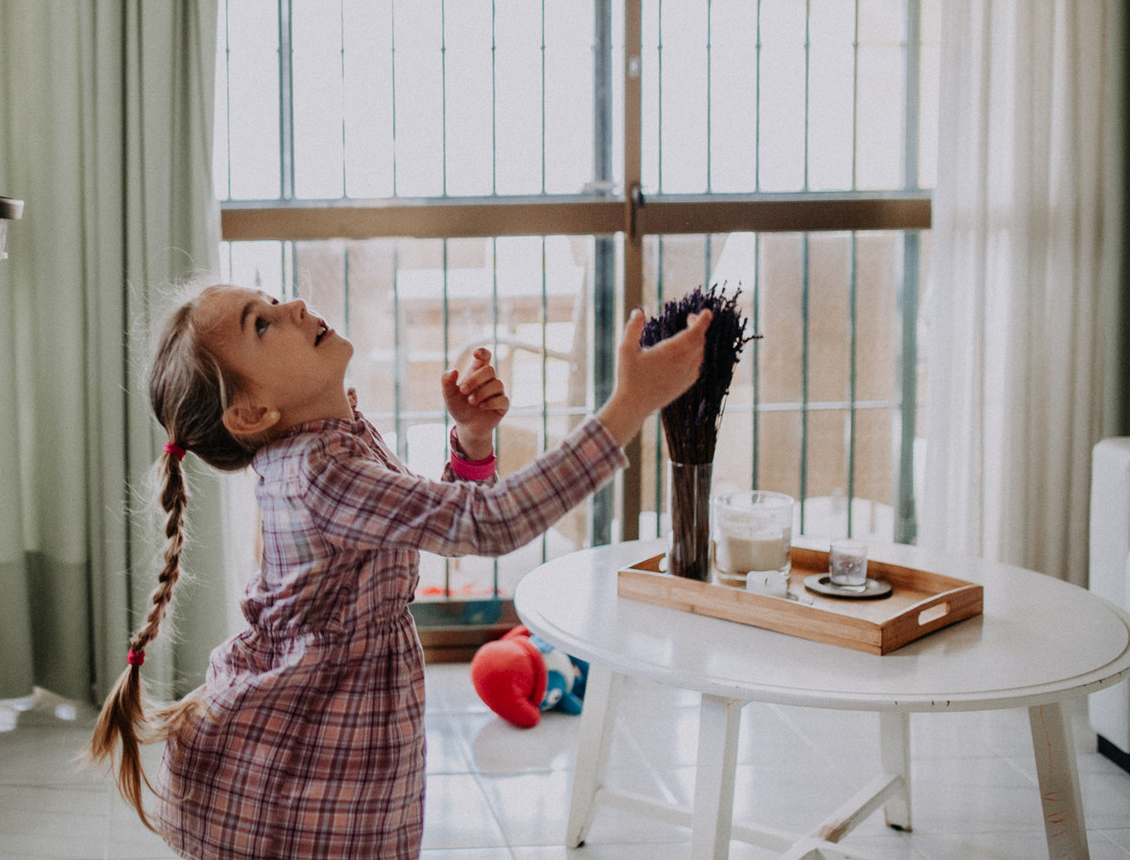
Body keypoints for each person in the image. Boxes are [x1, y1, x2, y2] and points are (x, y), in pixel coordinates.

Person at [88, 282, 711, 860]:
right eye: (262, 324)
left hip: (338, 725)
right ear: (251, 413)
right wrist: (629, 406)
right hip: (316, 750)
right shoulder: (320, 470)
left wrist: (470, 439)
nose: (294, 307)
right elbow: (489, 524)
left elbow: (429, 524)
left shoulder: (328, 446)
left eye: (273, 299)